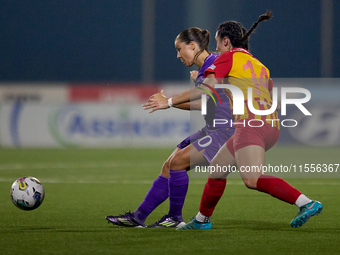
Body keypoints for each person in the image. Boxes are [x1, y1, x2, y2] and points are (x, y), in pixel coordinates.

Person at [143, 10, 323, 230]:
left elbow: (207, 89)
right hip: (269, 125)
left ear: (226, 41)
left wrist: (169, 101)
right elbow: (268, 97)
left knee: (251, 179)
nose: (216, 49)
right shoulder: (260, 66)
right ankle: (201, 220)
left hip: (250, 125)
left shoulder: (227, 57)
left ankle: (306, 203)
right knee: (217, 169)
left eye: (218, 43)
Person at [106, 27, 234, 228]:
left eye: (179, 48)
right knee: (169, 165)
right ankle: (138, 217)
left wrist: (169, 101)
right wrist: (167, 103)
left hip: (227, 132)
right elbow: (204, 104)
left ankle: (175, 218)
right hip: (213, 129)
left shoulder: (215, 64)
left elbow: (205, 93)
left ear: (192, 46)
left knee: (178, 163)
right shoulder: (206, 69)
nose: (177, 55)